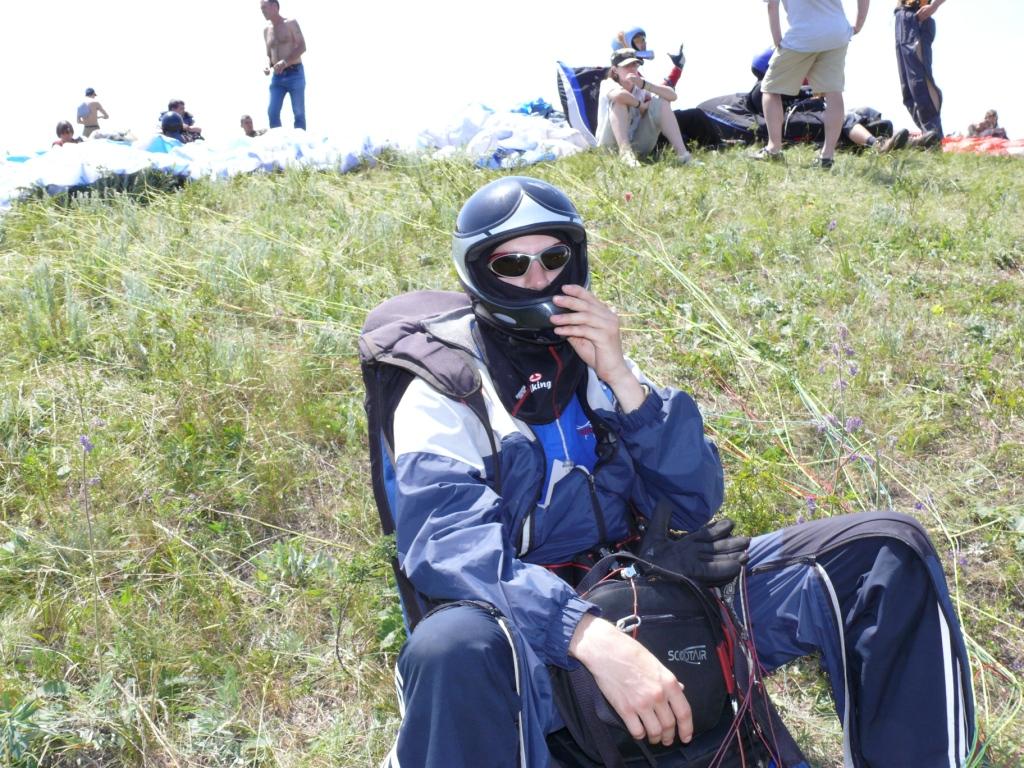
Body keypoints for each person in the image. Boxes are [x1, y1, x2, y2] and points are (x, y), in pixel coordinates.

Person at [379, 175, 976, 768]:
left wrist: (623, 382)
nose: (539, 280)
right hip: (536, 643)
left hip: (647, 591)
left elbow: (695, 499)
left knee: (883, 548)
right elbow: (449, 549)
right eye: (512, 265)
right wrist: (587, 633)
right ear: (477, 271)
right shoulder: (445, 389)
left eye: (553, 257)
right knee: (452, 646)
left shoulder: (595, 357)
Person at [754, 0, 870, 169]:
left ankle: (773, 149)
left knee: (770, 89)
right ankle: (827, 156)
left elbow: (772, 5)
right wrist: (858, 25)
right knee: (833, 92)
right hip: (836, 33)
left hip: (802, 35)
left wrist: (777, 40)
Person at [612, 26, 722, 150]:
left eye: (644, 40)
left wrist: (677, 69)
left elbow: (659, 94)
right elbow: (652, 101)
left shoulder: (637, 75)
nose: (644, 44)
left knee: (695, 116)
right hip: (637, 134)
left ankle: (718, 146)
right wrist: (643, 105)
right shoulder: (616, 77)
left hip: (648, 126)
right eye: (638, 40)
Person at [596, 48, 695, 167]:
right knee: (619, 102)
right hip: (609, 149)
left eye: (634, 65)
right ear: (614, 70)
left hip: (637, 147)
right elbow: (619, 95)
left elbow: (672, 96)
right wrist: (640, 105)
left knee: (661, 102)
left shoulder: (640, 85)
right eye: (626, 66)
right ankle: (625, 154)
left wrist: (645, 85)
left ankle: (684, 156)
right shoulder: (608, 83)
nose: (632, 69)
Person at [895, 0, 947, 145]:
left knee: (921, 83)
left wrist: (934, 5)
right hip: (902, 19)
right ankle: (928, 137)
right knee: (908, 91)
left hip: (917, 16)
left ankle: (934, 135)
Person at [261, 0, 307, 130]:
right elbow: (268, 55)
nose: (262, 11)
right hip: (277, 77)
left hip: (295, 73)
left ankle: (300, 141)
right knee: (272, 112)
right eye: (261, 9)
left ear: (274, 6)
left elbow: (302, 46)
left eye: (264, 7)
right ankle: (278, 140)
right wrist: (267, 65)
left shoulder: (290, 23)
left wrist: (285, 61)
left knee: (298, 113)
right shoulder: (266, 30)